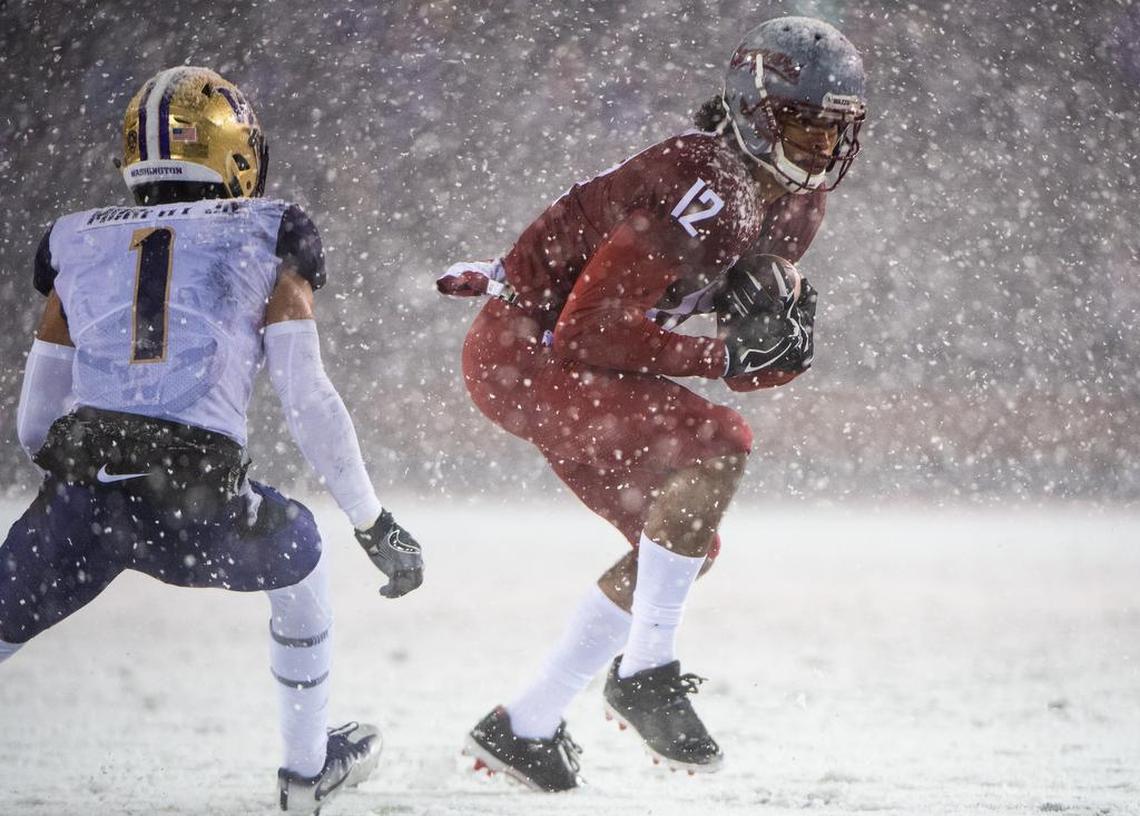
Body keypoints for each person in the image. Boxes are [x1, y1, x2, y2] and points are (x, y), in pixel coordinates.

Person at [438, 16, 867, 790]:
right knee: (717, 443)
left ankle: (526, 726)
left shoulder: (796, 209)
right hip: (523, 351)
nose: (821, 150)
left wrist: (760, 351)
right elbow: (589, 335)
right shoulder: (701, 184)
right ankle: (647, 672)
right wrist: (723, 357)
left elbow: (730, 354)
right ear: (752, 111)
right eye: (802, 126)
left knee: (683, 542)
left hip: (558, 358)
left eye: (835, 131)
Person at [0, 67, 425, 815]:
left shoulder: (71, 240)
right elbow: (306, 395)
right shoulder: (269, 228)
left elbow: (36, 421)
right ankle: (305, 770)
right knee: (301, 561)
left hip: (84, 496)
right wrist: (372, 521)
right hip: (197, 504)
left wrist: (83, 502)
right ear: (234, 148)